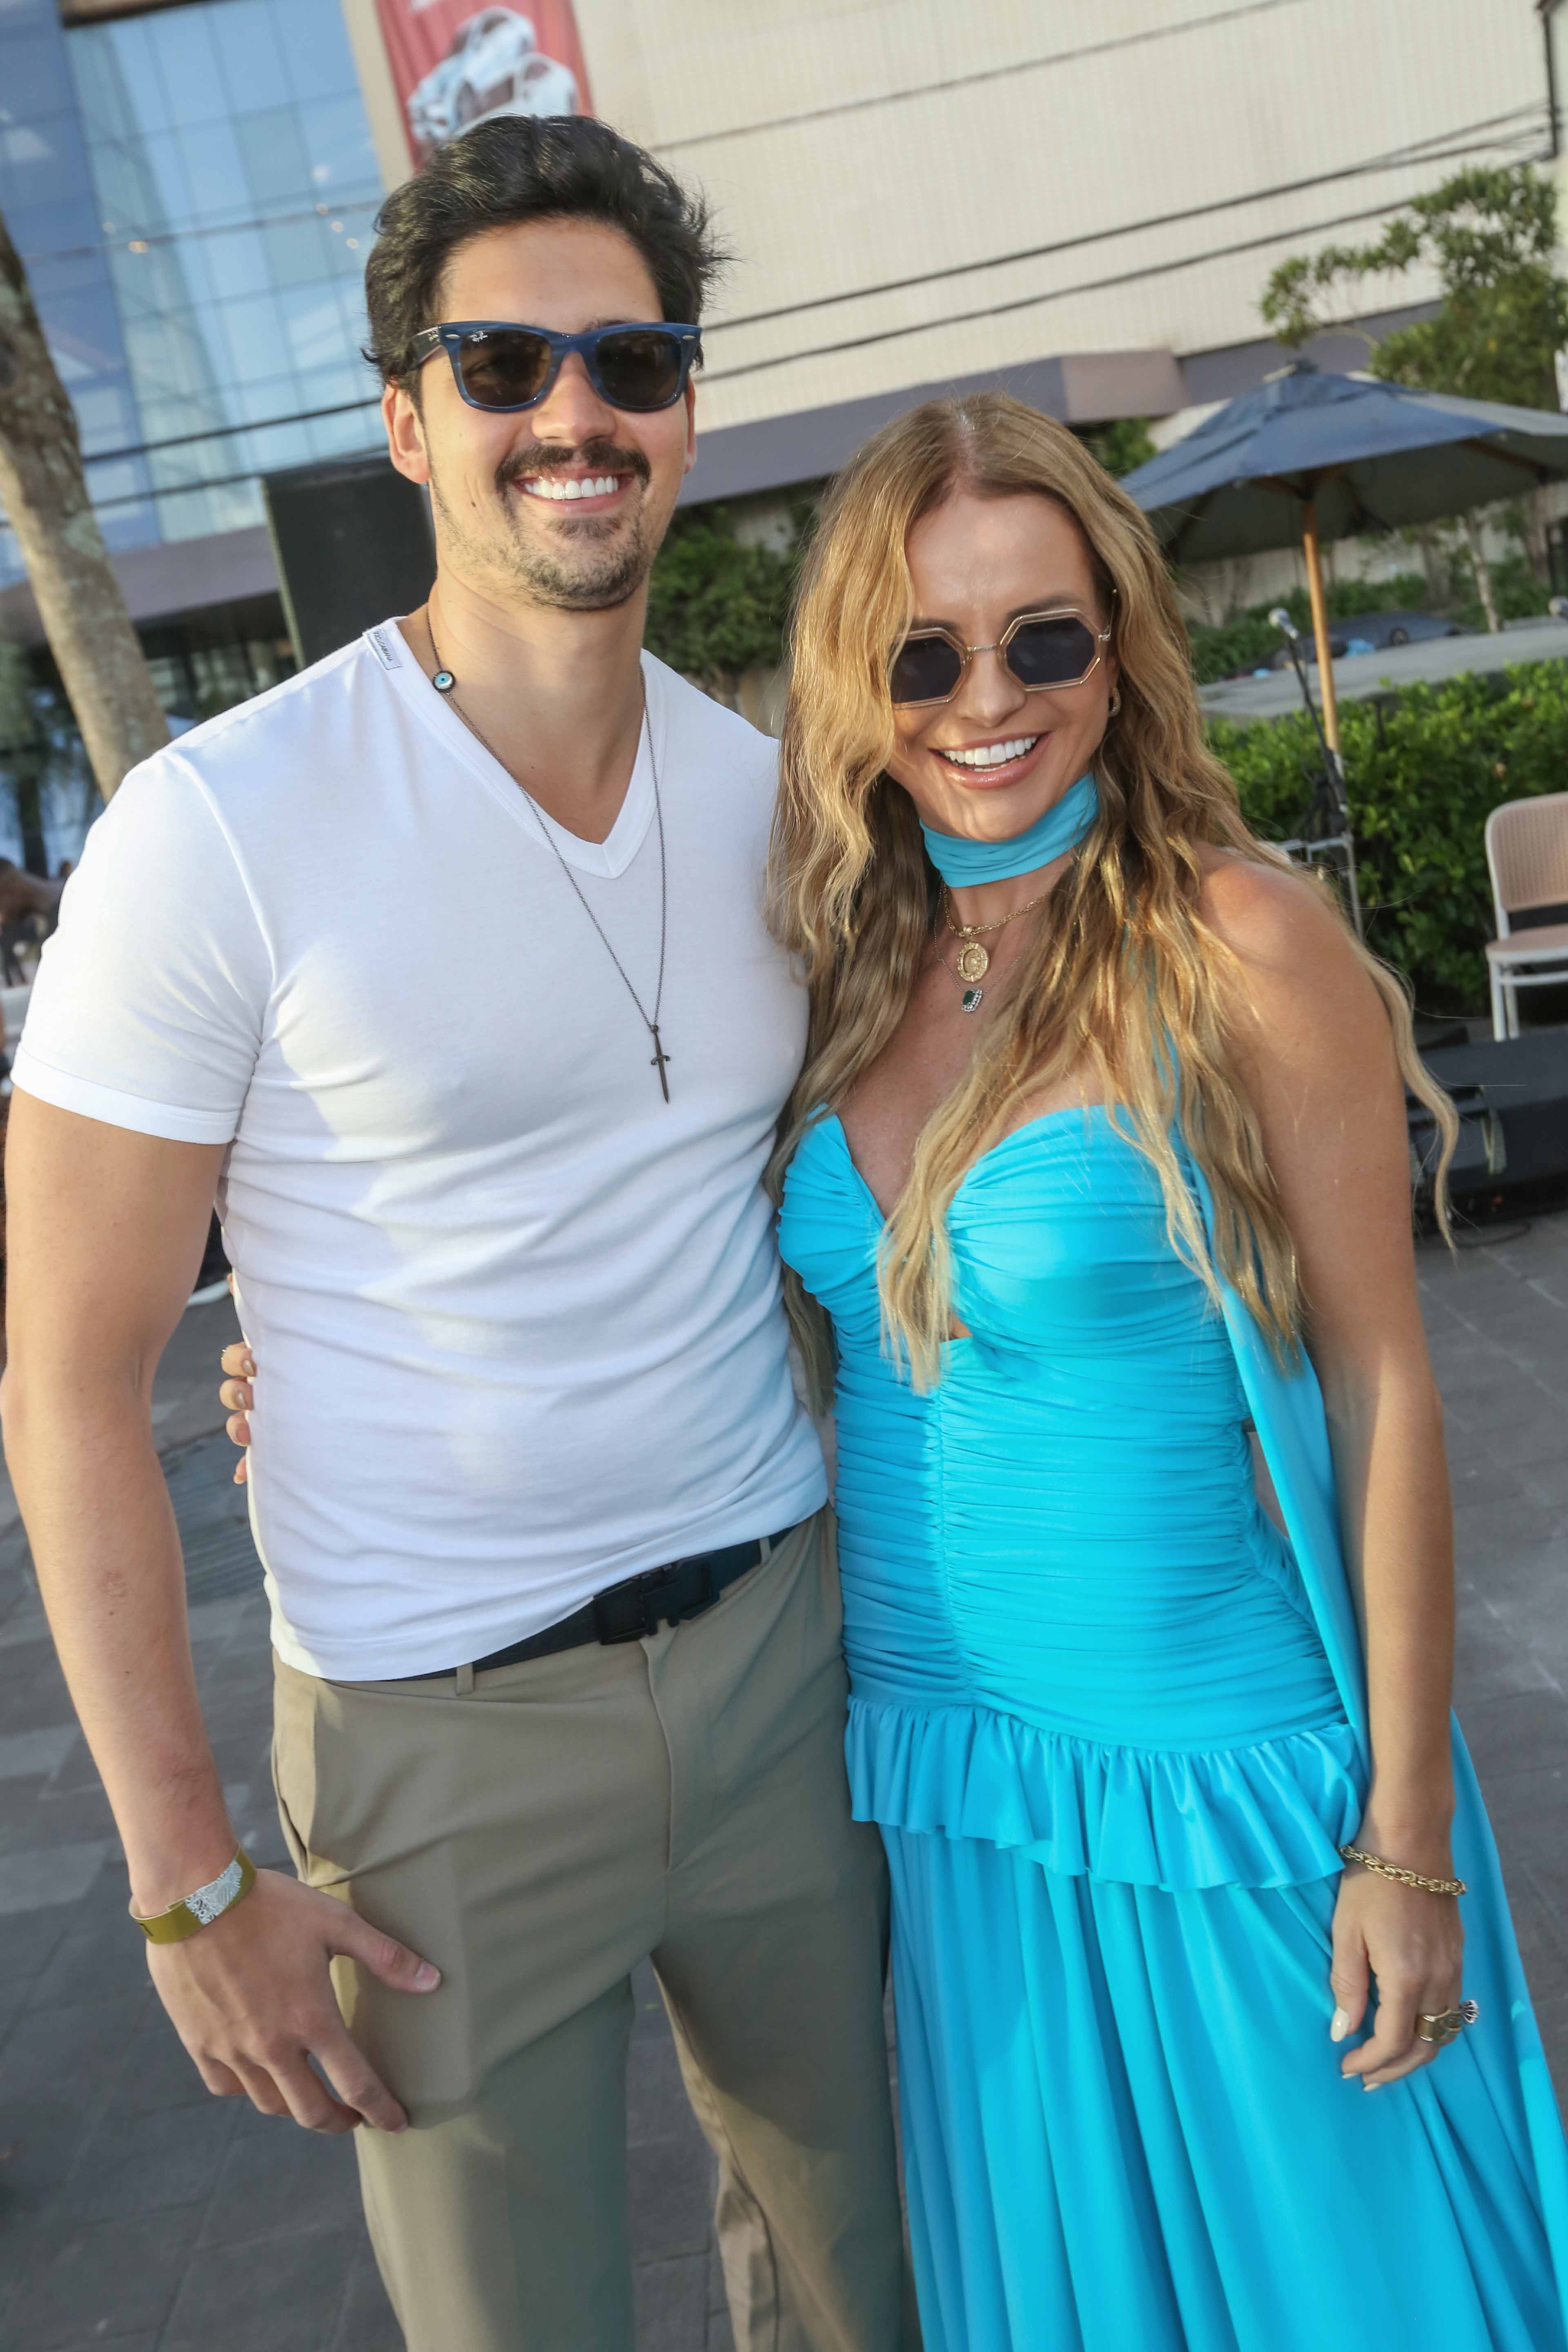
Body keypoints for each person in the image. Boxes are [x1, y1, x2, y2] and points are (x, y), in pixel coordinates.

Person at [3, 117, 911, 2352]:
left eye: (631, 360)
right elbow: (67, 1378)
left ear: (685, 406)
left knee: (871, 2291)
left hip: (787, 1661)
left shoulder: (780, 797)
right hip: (440, 1740)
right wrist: (184, 1882)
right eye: (504, 363)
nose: (573, 413)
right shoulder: (218, 827)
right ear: (407, 421)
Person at [761, 393, 1568, 2349]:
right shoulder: (839, 966)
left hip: (1221, 1796)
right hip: (953, 1794)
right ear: (856, 685)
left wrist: (1406, 1841)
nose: (988, 700)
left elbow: (1383, 1387)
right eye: (923, 655)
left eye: (1042, 637)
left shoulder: (1236, 942)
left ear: (1118, 651)